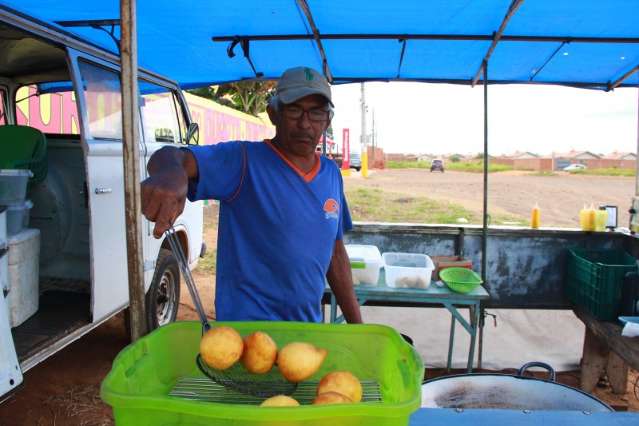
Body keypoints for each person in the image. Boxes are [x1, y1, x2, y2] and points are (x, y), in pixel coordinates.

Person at [141, 66, 362, 324]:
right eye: (294, 110)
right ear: (273, 113)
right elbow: (171, 156)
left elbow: (335, 253)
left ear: (327, 120)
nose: (305, 123)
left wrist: (359, 326)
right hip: (245, 336)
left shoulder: (331, 174)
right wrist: (171, 173)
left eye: (315, 113)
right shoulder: (243, 161)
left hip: (306, 331)